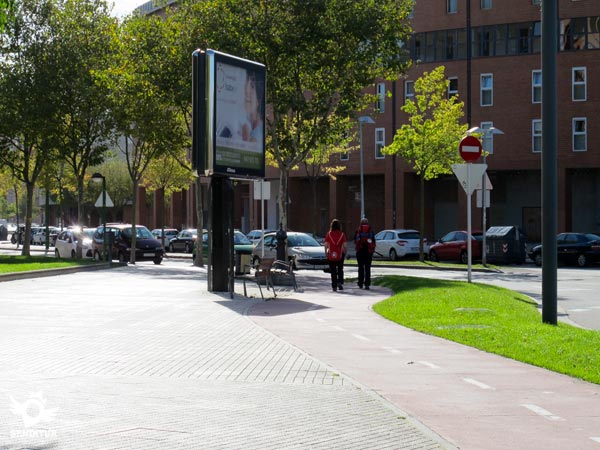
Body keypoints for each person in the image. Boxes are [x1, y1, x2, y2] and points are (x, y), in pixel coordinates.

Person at [241, 69, 264, 144]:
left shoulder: (259, 134)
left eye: (252, 86)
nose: (247, 91)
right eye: (246, 82)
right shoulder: (244, 120)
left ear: (259, 100)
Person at [324, 219, 347, 292]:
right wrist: (345, 252)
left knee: (333, 270)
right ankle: (339, 282)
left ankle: (334, 286)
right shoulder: (342, 234)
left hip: (331, 254)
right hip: (340, 254)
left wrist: (326, 252)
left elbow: (326, 245)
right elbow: (345, 245)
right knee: (340, 269)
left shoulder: (329, 234)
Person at [354, 217, 376, 290]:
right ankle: (367, 284)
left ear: (361, 223)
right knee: (367, 268)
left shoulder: (358, 230)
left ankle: (360, 283)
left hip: (360, 251)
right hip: (368, 251)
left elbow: (355, 241)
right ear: (367, 223)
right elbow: (373, 241)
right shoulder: (371, 230)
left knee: (360, 268)